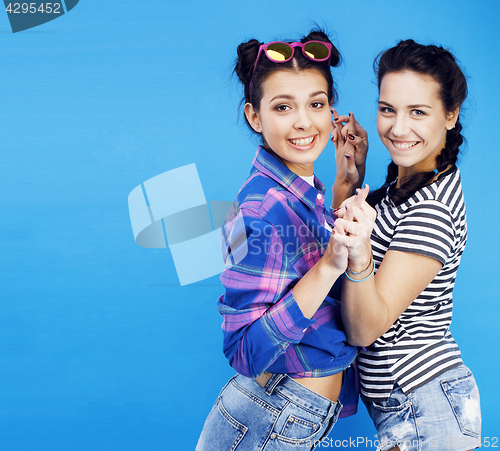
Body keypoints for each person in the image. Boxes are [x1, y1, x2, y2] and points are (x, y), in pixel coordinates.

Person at [196, 29, 368, 450]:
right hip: (262, 417)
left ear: (333, 113)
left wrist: (346, 182)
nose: (304, 121)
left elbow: (306, 281)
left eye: (316, 104)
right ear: (255, 117)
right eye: (283, 107)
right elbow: (244, 353)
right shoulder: (258, 209)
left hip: (286, 414)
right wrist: (329, 266)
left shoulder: (302, 193)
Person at [332, 40, 481, 451]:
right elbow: (333, 261)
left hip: (424, 406)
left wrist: (361, 254)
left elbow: (364, 329)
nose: (398, 128)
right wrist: (349, 179)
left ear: (450, 116)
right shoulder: (406, 188)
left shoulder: (430, 209)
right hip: (412, 406)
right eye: (387, 109)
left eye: (418, 112)